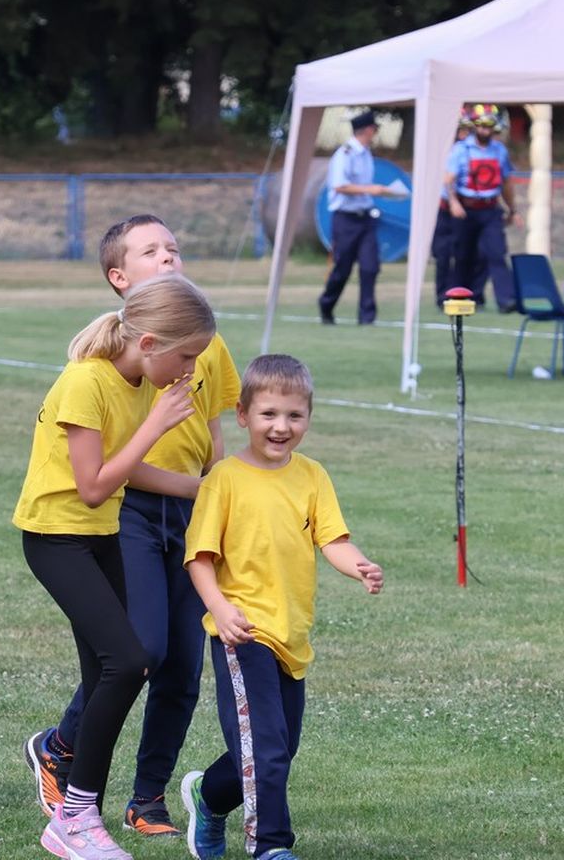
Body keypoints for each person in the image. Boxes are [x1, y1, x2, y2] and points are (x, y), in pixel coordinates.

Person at [23, 215, 242, 838]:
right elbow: (98, 484)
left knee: (157, 664)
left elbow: (185, 446)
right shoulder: (99, 377)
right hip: (86, 528)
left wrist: (213, 492)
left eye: (174, 247)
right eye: (153, 251)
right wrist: (158, 425)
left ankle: (126, 803)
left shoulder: (159, 362)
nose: (170, 258)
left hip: (132, 522)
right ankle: (74, 799)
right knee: (131, 655)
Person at [179, 354, 383, 860]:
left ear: (309, 417)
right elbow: (199, 559)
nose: (281, 426)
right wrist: (220, 611)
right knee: (267, 751)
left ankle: (209, 795)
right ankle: (270, 847)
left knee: (278, 750)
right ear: (243, 415)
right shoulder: (224, 479)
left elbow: (332, 538)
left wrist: (358, 565)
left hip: (292, 634)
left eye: (295, 416)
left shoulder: (312, 476)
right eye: (269, 414)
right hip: (244, 632)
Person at [443, 103, 518, 312]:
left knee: (496, 253)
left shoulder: (499, 151)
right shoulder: (461, 149)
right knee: (463, 255)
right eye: (481, 125)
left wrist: (513, 209)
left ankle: (507, 300)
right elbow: (448, 179)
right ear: (474, 126)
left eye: (488, 126)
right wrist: (454, 202)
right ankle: (458, 297)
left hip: (490, 209)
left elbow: (505, 183)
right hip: (466, 209)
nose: (485, 130)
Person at [317, 110, 389, 326]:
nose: (375, 133)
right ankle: (326, 304)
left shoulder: (366, 153)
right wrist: (371, 189)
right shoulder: (345, 154)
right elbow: (339, 186)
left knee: (370, 267)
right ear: (367, 130)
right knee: (343, 269)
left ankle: (367, 318)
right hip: (346, 219)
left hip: (365, 218)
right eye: (374, 129)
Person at [433, 108, 474, 306]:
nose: (464, 134)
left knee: (463, 253)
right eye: (461, 130)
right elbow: (444, 180)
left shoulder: (468, 151)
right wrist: (452, 202)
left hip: (464, 208)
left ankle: (461, 292)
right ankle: (442, 295)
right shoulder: (441, 150)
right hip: (443, 208)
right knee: (443, 254)